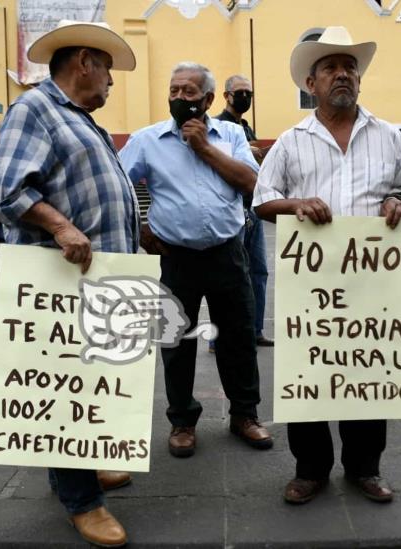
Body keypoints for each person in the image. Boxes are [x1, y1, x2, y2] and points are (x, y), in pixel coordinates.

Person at [0, 20, 139, 546]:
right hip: (63, 281)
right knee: (67, 385)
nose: (112, 84)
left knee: (87, 385)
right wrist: (60, 224)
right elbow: (3, 187)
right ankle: (81, 501)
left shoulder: (77, 118)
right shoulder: (35, 108)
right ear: (84, 62)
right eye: (109, 72)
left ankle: (84, 470)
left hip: (102, 278)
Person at [252, 26, 401, 505]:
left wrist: (398, 202)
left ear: (359, 80)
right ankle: (311, 470)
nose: (343, 74)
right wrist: (296, 203)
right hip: (313, 284)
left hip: (373, 280)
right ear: (311, 83)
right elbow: (262, 200)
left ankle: (366, 467)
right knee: (310, 373)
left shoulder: (388, 137)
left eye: (350, 67)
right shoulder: (289, 141)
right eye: (331, 67)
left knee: (368, 373)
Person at [120, 61, 273, 459]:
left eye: (189, 92)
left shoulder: (233, 135)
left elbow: (252, 184)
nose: (179, 98)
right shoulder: (147, 140)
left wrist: (203, 147)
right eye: (174, 91)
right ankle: (182, 421)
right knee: (177, 341)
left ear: (207, 99)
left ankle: (244, 415)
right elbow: (117, 186)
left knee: (238, 338)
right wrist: (139, 229)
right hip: (176, 258)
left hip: (227, 253)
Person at [215, 74, 273, 347]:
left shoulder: (246, 127)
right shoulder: (216, 126)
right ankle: (219, 339)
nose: (245, 98)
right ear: (226, 96)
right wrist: (246, 151)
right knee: (228, 276)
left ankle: (255, 330)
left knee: (258, 273)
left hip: (253, 209)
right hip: (231, 210)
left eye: (249, 93)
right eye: (240, 92)